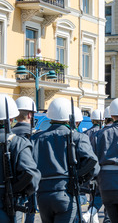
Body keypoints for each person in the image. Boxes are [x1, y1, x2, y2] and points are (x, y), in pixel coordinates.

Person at [32, 97, 98, 223]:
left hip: (43, 194)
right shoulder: (78, 137)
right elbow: (93, 166)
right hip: (66, 193)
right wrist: (79, 179)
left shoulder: (36, 138)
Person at [0, 95, 40, 223]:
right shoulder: (18, 141)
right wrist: (19, 192)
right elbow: (31, 175)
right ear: (10, 118)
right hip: (10, 199)